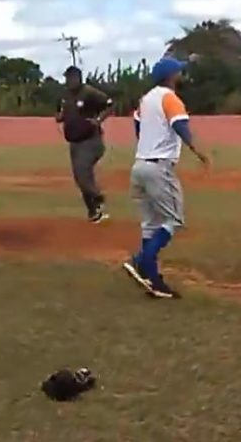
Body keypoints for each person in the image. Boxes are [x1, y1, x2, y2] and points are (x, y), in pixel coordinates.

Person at [121, 57, 211, 299]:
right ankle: (141, 261)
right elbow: (180, 125)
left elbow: (138, 127)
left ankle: (153, 280)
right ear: (171, 75)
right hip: (159, 168)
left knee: (151, 225)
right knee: (174, 220)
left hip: (139, 165)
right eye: (178, 71)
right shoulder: (169, 98)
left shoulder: (146, 99)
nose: (181, 74)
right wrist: (197, 150)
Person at [56, 65, 114, 223]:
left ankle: (98, 197)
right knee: (80, 178)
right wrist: (60, 116)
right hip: (74, 142)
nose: (67, 81)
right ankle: (94, 211)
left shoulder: (89, 92)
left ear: (77, 78)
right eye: (66, 78)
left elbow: (109, 104)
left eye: (69, 78)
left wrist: (98, 120)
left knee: (82, 173)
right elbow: (64, 112)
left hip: (90, 141)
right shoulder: (66, 95)